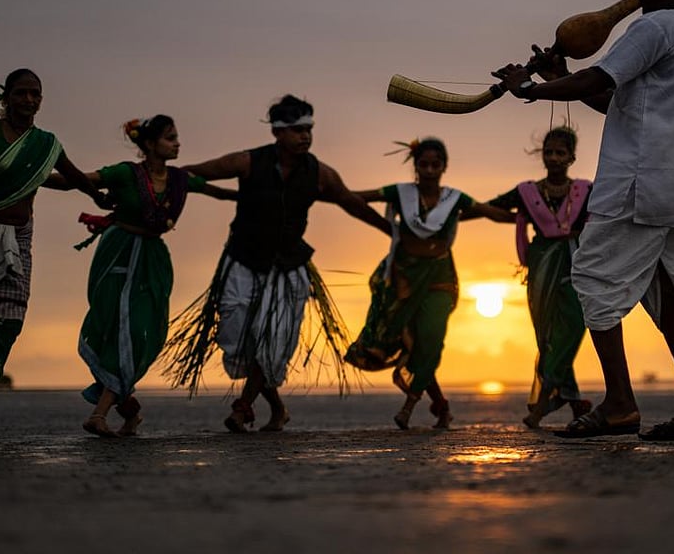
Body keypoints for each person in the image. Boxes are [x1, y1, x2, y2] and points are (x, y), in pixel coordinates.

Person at [494, 0, 674, 441]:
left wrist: (529, 88)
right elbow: (619, 104)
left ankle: (620, 404)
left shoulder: (654, 26)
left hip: (639, 188)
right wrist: (564, 76)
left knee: (593, 281)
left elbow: (597, 81)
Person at [163, 95, 390, 432]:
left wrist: (392, 231)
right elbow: (192, 173)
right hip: (242, 259)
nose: (306, 136)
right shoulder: (247, 162)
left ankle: (242, 407)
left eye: (309, 130)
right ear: (278, 132)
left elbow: (352, 203)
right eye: (298, 130)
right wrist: (155, 186)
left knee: (274, 341)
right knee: (236, 336)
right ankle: (278, 409)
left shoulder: (320, 173)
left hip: (288, 266)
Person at [0, 68, 110, 442]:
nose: (29, 101)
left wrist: (96, 195)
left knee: (7, 322)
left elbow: (72, 176)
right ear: (7, 97)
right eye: (21, 94)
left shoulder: (45, 144)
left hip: (19, 240)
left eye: (35, 94)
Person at [70, 116, 235, 437]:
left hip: (152, 260)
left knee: (140, 330)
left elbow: (220, 194)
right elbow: (78, 179)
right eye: (170, 138)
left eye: (177, 137)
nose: (177, 143)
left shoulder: (179, 179)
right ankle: (104, 414)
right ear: (149, 144)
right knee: (118, 330)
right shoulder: (125, 173)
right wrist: (31, 176)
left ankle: (112, 413)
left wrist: (267, 197)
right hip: (117, 251)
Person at [346, 137, 511, 429]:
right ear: (415, 166)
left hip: (439, 278)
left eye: (436, 164)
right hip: (403, 277)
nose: (430, 170)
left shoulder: (454, 199)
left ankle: (409, 405)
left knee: (431, 339)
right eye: (424, 164)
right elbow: (356, 197)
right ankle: (442, 407)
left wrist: (530, 218)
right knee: (415, 343)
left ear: (445, 166)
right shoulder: (399, 193)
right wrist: (384, 225)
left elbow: (492, 214)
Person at [487, 126, 593, 428]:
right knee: (546, 336)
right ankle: (574, 401)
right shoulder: (528, 193)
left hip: (577, 266)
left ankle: (544, 400)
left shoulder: (586, 190)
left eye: (561, 153)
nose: (554, 158)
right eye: (549, 152)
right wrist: (521, 217)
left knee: (572, 328)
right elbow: (491, 208)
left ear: (572, 157)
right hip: (541, 269)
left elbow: (607, 217)